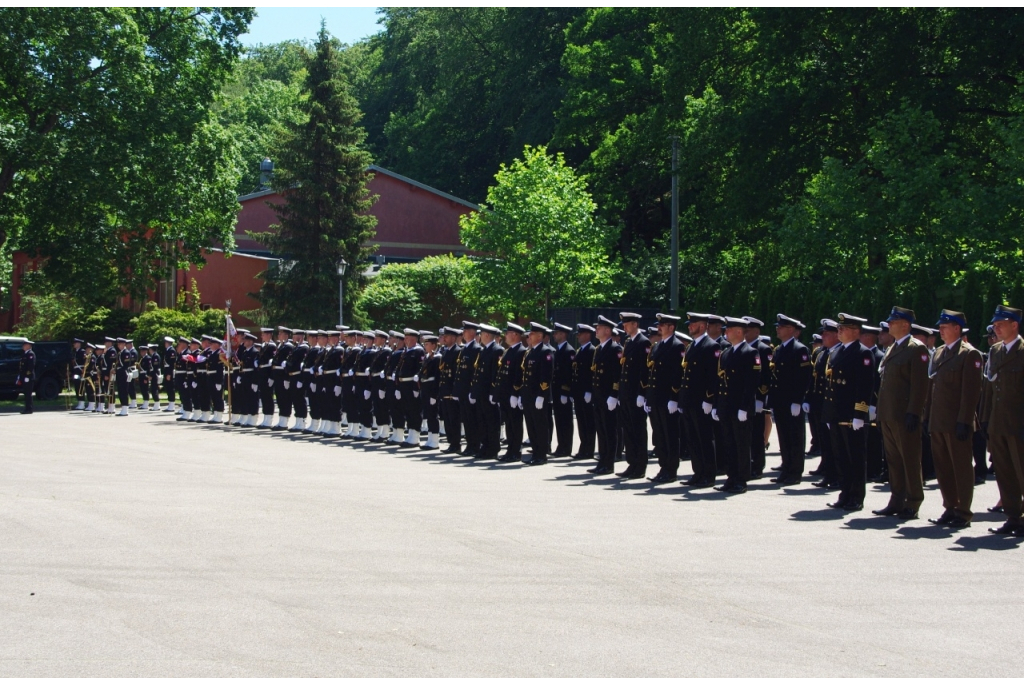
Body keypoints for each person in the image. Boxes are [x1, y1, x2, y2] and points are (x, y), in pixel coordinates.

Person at [926, 309, 982, 528]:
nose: (940, 330)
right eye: (940, 326)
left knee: (961, 468)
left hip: (957, 422)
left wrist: (965, 421)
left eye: (945, 326)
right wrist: (928, 417)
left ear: (957, 328)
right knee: (943, 467)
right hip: (939, 420)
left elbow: (971, 392)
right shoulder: (939, 352)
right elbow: (934, 388)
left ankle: (963, 511)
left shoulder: (969, 354)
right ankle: (949, 507)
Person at [873, 306, 930, 519]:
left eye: (893, 321)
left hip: (904, 414)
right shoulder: (892, 348)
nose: (889, 325)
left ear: (905, 324)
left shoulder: (917, 349)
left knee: (910, 459)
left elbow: (919, 385)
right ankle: (896, 499)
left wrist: (914, 412)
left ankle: (913, 501)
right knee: (894, 460)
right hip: (888, 413)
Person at [822, 313, 875, 512]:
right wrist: (828, 414)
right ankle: (844, 493)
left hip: (852, 415)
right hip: (837, 413)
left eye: (843, 329)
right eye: (839, 329)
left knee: (855, 457)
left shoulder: (863, 353)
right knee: (841, 456)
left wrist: (860, 413)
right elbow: (830, 387)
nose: (839, 332)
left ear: (855, 331)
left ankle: (856, 496)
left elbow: (865, 385)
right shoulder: (836, 352)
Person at [982, 305, 1024, 536]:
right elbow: (991, 388)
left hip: (1018, 423)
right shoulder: (996, 351)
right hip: (998, 423)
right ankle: (1013, 517)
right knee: (1005, 473)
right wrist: (987, 419)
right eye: (995, 325)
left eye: (1000, 324)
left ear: (1014, 324)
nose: (995, 328)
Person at [713, 317, 761, 494]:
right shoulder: (726, 353)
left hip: (740, 407)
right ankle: (731, 477)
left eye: (729, 329)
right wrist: (717, 405)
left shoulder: (751, 353)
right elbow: (721, 382)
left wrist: (744, 407)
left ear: (739, 332)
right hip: (726, 406)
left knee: (741, 444)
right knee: (729, 443)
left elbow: (751, 383)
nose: (726, 332)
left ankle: (741, 479)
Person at [767, 314, 813, 485]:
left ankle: (795, 472)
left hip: (792, 401)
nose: (777, 329)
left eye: (782, 326)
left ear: (792, 330)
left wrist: (798, 400)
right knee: (783, 437)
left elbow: (804, 377)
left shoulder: (799, 349)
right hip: (780, 400)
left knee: (795, 437)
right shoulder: (779, 349)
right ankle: (786, 468)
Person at [680, 313, 721, 487]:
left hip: (702, 401)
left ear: (703, 326)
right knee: (693, 439)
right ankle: (698, 472)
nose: (690, 327)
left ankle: (708, 474)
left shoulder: (711, 346)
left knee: (704, 438)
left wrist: (709, 398)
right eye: (689, 324)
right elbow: (686, 375)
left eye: (693, 324)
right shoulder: (691, 347)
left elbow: (713, 376)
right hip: (690, 400)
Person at [647, 313, 685, 483]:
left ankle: (671, 469)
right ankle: (663, 467)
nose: (659, 328)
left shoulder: (677, 346)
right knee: (659, 434)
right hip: (656, 398)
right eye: (659, 325)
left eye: (663, 325)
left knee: (670, 435)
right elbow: (652, 374)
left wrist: (674, 397)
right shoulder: (657, 347)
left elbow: (678, 374)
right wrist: (649, 398)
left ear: (672, 327)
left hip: (668, 398)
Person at [617, 312, 651, 479]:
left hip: (635, 394)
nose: (624, 327)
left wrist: (641, 393)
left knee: (638, 430)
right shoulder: (629, 342)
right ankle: (632, 463)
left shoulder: (643, 342)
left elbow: (643, 370)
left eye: (627, 323)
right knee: (628, 430)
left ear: (635, 324)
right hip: (626, 393)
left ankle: (640, 465)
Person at [589, 315, 623, 476]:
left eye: (599, 328)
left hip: (608, 396)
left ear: (608, 330)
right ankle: (602, 461)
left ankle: (609, 463)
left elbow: (618, 374)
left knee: (609, 430)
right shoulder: (598, 349)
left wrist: (614, 394)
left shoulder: (615, 349)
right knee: (601, 430)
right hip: (598, 396)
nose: (596, 330)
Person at [743, 317, 774, 478]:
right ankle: (747, 463)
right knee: (745, 433)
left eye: (748, 329)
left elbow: (766, 376)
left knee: (756, 434)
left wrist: (760, 397)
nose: (745, 332)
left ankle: (758, 464)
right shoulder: (743, 348)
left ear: (757, 331)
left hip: (756, 398)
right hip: (744, 398)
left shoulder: (763, 349)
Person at [521, 322, 554, 465]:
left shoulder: (545, 352)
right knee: (531, 425)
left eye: (532, 333)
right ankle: (535, 452)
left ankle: (541, 454)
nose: (529, 335)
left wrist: (542, 394)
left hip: (537, 395)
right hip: (528, 395)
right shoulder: (531, 351)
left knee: (540, 425)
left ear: (540, 336)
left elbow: (546, 375)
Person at [496, 323, 527, 462]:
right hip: (505, 394)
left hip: (512, 394)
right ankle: (510, 449)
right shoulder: (508, 351)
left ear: (515, 335)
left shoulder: (521, 351)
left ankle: (516, 451)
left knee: (515, 423)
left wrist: (516, 394)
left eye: (508, 333)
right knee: (508, 423)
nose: (505, 336)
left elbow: (519, 375)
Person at [471, 324, 503, 458]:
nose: (480, 336)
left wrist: (493, 392)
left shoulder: (497, 350)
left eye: (482, 334)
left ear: (487, 335)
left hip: (488, 392)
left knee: (491, 421)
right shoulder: (483, 350)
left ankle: (493, 448)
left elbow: (496, 374)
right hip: (480, 392)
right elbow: (478, 372)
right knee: (482, 420)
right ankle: (485, 446)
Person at [454, 322, 483, 455]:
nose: (463, 334)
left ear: (472, 332)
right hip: (463, 390)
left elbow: (475, 372)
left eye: (465, 331)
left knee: (472, 420)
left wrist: (473, 391)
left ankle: (474, 445)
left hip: (469, 390)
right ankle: (470, 445)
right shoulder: (465, 348)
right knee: (466, 419)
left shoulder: (476, 349)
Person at [571, 323, 597, 461]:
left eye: (580, 334)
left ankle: (589, 449)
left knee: (588, 422)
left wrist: (589, 390)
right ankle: (583, 447)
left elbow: (590, 373)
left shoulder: (592, 350)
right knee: (581, 421)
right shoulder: (580, 350)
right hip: (578, 392)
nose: (578, 336)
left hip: (586, 392)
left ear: (588, 335)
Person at [551, 323, 576, 457]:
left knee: (565, 421)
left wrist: (565, 391)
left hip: (563, 391)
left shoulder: (569, 351)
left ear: (563, 334)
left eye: (556, 333)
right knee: (559, 420)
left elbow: (568, 374)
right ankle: (561, 446)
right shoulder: (558, 350)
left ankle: (566, 448)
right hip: (556, 391)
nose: (554, 335)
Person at [397, 328, 425, 448]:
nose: (405, 340)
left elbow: (420, 369)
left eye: (408, 338)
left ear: (414, 339)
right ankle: (411, 434)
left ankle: (415, 435)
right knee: (407, 410)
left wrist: (415, 387)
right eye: (405, 338)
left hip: (411, 384)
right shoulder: (406, 351)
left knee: (414, 410)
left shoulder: (418, 351)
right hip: (404, 384)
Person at [418, 333, 442, 450]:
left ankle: (435, 440)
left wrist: (434, 395)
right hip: (425, 388)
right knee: (428, 414)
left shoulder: (437, 357)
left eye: (427, 344)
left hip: (432, 388)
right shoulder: (428, 357)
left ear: (434, 345)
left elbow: (437, 378)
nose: (425, 346)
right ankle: (430, 439)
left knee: (433, 415)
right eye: (424, 344)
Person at [17, 339, 36, 414]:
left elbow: (31, 366)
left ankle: (29, 409)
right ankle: (27, 408)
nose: (23, 346)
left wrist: (27, 376)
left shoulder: (31, 354)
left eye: (24, 345)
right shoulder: (25, 354)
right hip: (24, 376)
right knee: (26, 393)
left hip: (28, 377)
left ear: (28, 346)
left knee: (28, 393)